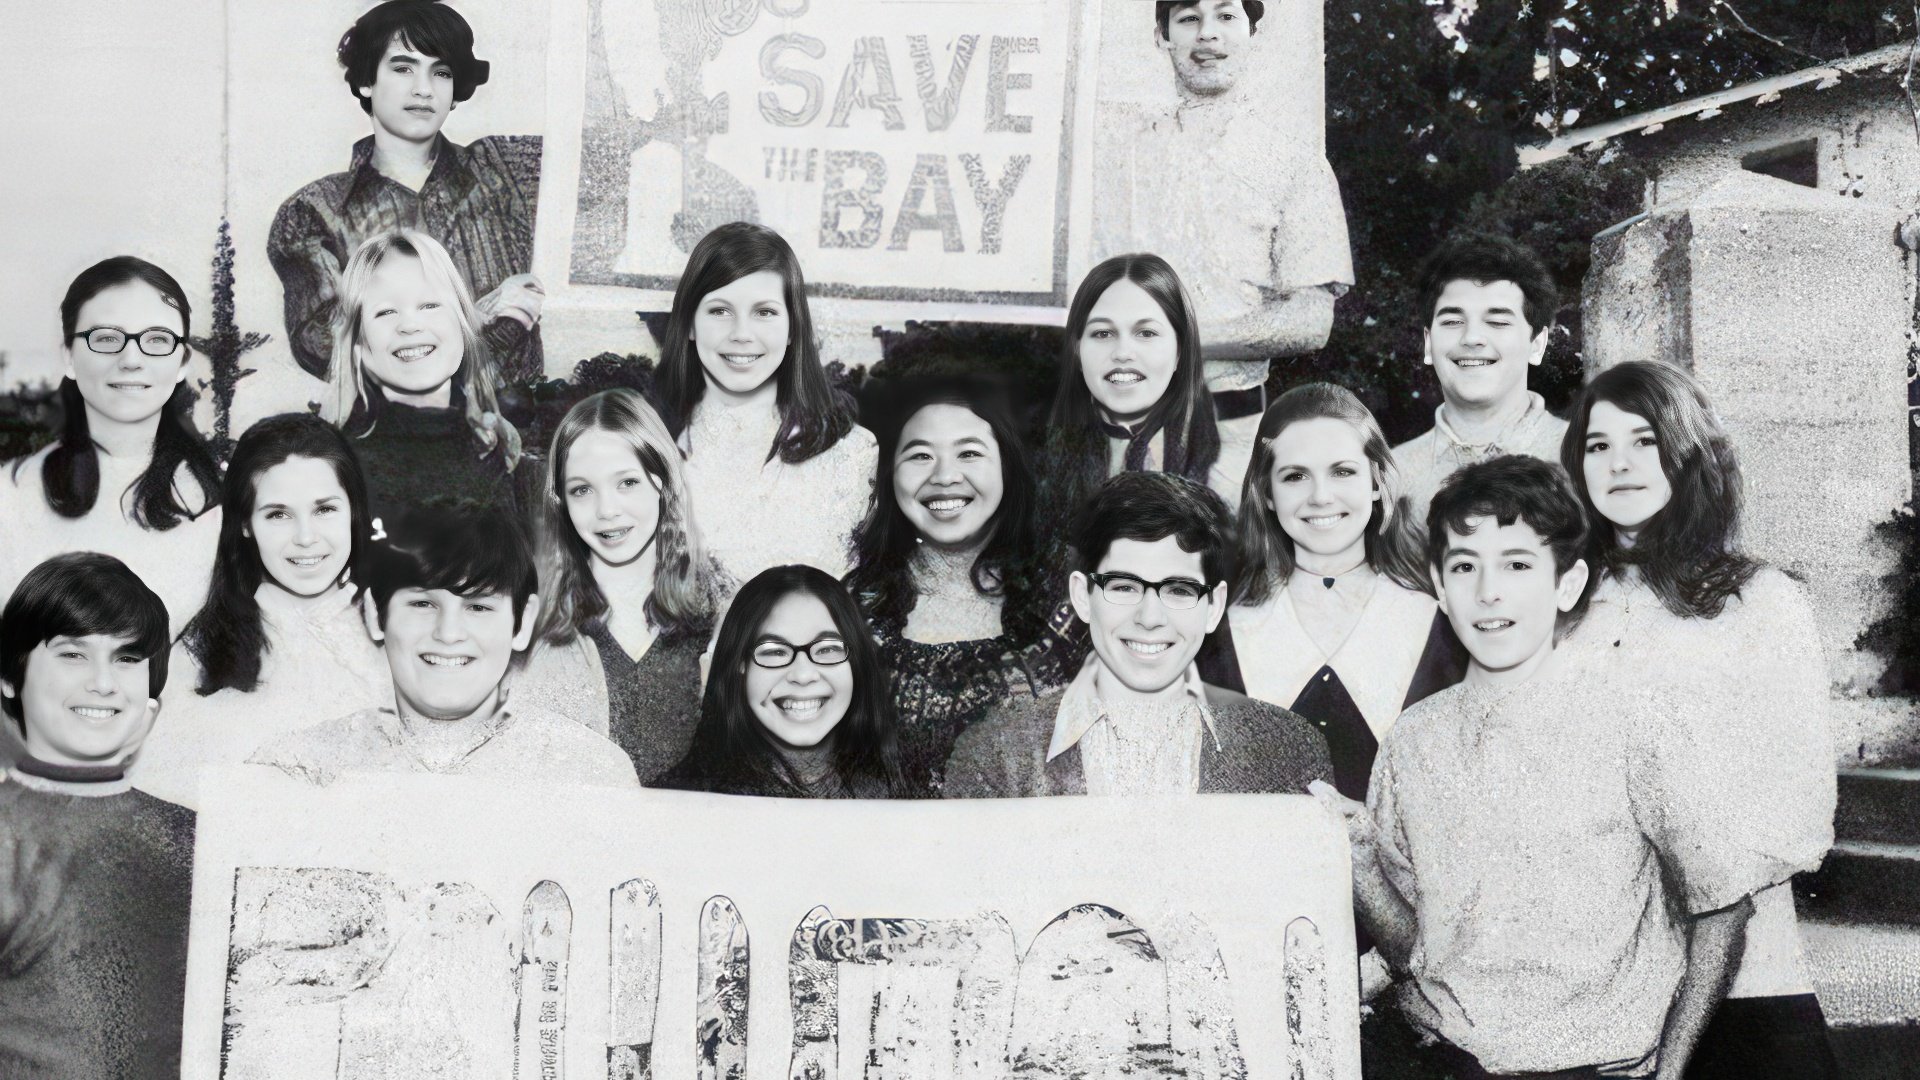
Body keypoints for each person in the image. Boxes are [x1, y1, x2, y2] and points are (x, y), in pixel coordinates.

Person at [1333, 456, 1773, 1079]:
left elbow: (1723, 906)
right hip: (1446, 1063)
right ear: (1438, 584)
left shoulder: (1633, 723)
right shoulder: (1414, 739)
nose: (1488, 592)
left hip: (1594, 1067)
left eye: (1517, 565)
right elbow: (1416, 951)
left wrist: (1670, 1071)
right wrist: (1358, 862)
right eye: (1464, 566)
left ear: (1567, 585)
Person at [1559, 362, 1838, 1079]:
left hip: (1748, 976)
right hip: (1595, 989)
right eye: (1597, 445)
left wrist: (1698, 903)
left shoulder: (1760, 600)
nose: (1618, 463)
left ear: (1687, 454)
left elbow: (1799, 806)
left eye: (1644, 441)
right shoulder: (1554, 610)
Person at [1091, 1, 1353, 505]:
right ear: (1162, 35)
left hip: (1235, 436)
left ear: (1253, 32)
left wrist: (1175, 341)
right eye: (1188, 18)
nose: (1207, 35)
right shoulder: (1118, 154)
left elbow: (1311, 322)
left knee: (1235, 577)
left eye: (1226, 16)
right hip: (1115, 435)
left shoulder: (1295, 164)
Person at [943, 471, 1330, 798]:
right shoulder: (993, 754)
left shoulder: (1289, 750)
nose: (1149, 617)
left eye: (1179, 590)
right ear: (1082, 595)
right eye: (1124, 586)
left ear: (1213, 607)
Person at [248, 507, 637, 789]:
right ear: (374, 614)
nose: (449, 633)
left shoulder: (590, 777)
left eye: (479, 607)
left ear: (521, 622)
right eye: (422, 604)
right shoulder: (299, 771)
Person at [269, 0, 545, 384]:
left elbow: (594, 155)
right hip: (388, 433)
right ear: (367, 79)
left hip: (517, 431)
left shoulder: (507, 168)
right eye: (403, 68)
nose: (423, 89)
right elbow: (320, 345)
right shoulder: (314, 211)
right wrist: (476, 320)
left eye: (441, 72)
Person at [1211, 384, 1463, 800]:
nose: (1321, 497)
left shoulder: (1442, 626)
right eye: (1295, 476)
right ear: (1267, 494)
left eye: (1342, 472)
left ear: (1377, 482)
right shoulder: (1221, 633)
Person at [0, 553, 196, 1078]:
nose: (104, 683)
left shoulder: (199, 839)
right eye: (73, 654)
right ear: (9, 676)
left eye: (128, 658)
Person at [132, 415, 391, 809]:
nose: (306, 538)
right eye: (277, 514)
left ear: (354, 510)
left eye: (324, 510)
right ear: (245, 525)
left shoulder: (402, 628)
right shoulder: (198, 654)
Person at [845, 375, 1072, 788]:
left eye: (969, 453)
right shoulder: (852, 607)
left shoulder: (1070, 596)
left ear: (1008, 465)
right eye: (920, 456)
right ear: (890, 474)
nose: (945, 476)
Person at [0, 257, 223, 649]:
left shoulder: (214, 502)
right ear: (69, 355)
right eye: (106, 338)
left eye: (156, 339)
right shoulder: (13, 495)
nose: (131, 360)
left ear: (182, 362)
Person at [655, 222, 877, 586]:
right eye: (720, 311)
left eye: (765, 312)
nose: (742, 334)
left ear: (793, 328)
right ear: (689, 325)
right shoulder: (647, 452)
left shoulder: (853, 456)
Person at [522, 388, 724, 779]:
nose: (607, 510)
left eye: (627, 483)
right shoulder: (533, 627)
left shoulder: (720, 613)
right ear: (560, 501)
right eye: (582, 490)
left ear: (662, 481)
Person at [655, 565, 910, 798]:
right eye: (775, 651)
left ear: (856, 660)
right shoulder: (676, 801)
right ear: (739, 664)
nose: (802, 675)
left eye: (826, 649)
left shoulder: (901, 795)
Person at [321, 228, 523, 517]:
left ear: (463, 325)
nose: (410, 325)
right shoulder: (340, 466)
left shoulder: (491, 442)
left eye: (429, 305)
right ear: (359, 344)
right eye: (386, 312)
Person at [1041, 254, 1226, 539]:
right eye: (1102, 333)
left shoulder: (1224, 466)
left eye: (1146, 333)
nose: (1123, 352)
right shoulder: (1038, 462)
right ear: (1077, 350)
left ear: (1179, 350)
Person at [1391, 233, 1569, 517]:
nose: (1472, 337)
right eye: (1452, 321)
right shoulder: (1391, 477)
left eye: (1497, 321)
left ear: (1537, 345)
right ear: (1428, 343)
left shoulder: (1582, 457)